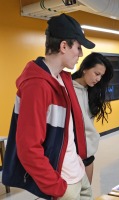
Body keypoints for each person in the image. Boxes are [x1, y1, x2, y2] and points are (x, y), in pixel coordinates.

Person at [2, 13, 95, 200]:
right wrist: (56, 187)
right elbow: (28, 148)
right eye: (78, 47)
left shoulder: (63, 79)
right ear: (63, 46)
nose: (81, 54)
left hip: (76, 170)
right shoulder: (37, 86)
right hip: (63, 182)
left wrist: (78, 161)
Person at [72, 52, 114, 183]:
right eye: (96, 74)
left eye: (101, 76)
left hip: (87, 153)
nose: (98, 79)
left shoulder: (93, 91)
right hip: (70, 154)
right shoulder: (67, 89)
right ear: (84, 68)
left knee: (86, 193)